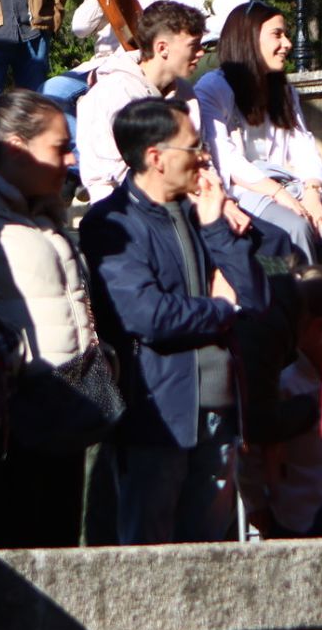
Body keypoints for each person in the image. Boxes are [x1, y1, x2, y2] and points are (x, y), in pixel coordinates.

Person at [79, 98, 269, 544]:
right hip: (158, 413)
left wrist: (216, 226)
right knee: (150, 553)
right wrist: (221, 311)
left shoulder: (202, 208)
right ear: (156, 157)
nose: (204, 156)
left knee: (209, 552)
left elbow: (257, 297)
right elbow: (147, 315)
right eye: (194, 147)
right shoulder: (111, 223)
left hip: (220, 409)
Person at [0, 90, 94, 548]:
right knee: (13, 544)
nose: (70, 159)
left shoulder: (42, 216)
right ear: (15, 145)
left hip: (64, 403)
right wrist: (13, 356)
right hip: (5, 417)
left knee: (62, 543)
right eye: (59, 146)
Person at [195, 0, 322, 288]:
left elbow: (303, 145)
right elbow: (225, 157)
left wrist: (312, 192)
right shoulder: (213, 88)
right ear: (248, 38)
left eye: (285, 34)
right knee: (294, 228)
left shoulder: (283, 90)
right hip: (245, 191)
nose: (286, 43)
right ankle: (305, 320)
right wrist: (277, 193)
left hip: (290, 188)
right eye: (277, 35)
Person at [240, 265, 322, 539]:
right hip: (293, 518)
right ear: (316, 327)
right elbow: (251, 452)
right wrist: (258, 506)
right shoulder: (286, 381)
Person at [44, 0, 173, 127]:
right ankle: (79, 154)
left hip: (131, 65)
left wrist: (106, 71)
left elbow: (145, 35)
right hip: (98, 63)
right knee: (49, 93)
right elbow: (79, 28)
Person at [77, 0, 208, 203]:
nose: (201, 52)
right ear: (162, 48)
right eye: (193, 45)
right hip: (127, 210)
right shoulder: (113, 92)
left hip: (187, 200)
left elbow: (201, 155)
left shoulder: (184, 92)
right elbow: (105, 178)